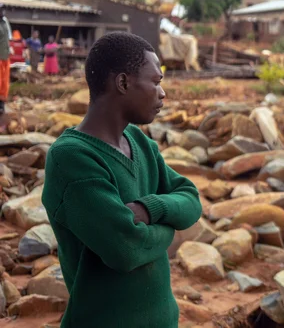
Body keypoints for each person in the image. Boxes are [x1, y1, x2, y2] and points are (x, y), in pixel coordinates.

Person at [42, 32, 202, 327]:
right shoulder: (71, 158)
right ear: (124, 83)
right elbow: (125, 250)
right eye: (155, 82)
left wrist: (149, 210)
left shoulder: (139, 142)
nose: (162, 93)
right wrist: (171, 228)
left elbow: (191, 198)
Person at [0, 8, 9, 116]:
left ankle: (1, 105)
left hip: (5, 57)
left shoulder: (5, 22)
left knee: (4, 83)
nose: (2, 12)